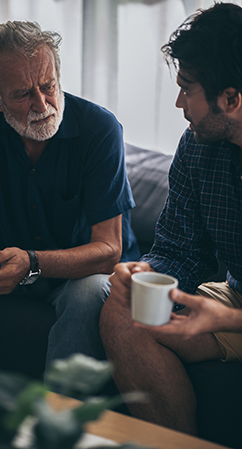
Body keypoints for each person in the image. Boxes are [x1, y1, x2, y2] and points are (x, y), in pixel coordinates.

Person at [0, 21, 140, 366]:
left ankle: (61, 418)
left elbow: (109, 250)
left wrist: (32, 262)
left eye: (48, 86)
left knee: (87, 294)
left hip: (84, 272)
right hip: (6, 261)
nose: (42, 104)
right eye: (22, 94)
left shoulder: (100, 130)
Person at [99, 2, 242, 437]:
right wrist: (146, 276)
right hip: (235, 297)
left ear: (232, 98)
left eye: (188, 88)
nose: (178, 102)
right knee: (122, 314)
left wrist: (228, 322)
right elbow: (180, 250)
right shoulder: (197, 147)